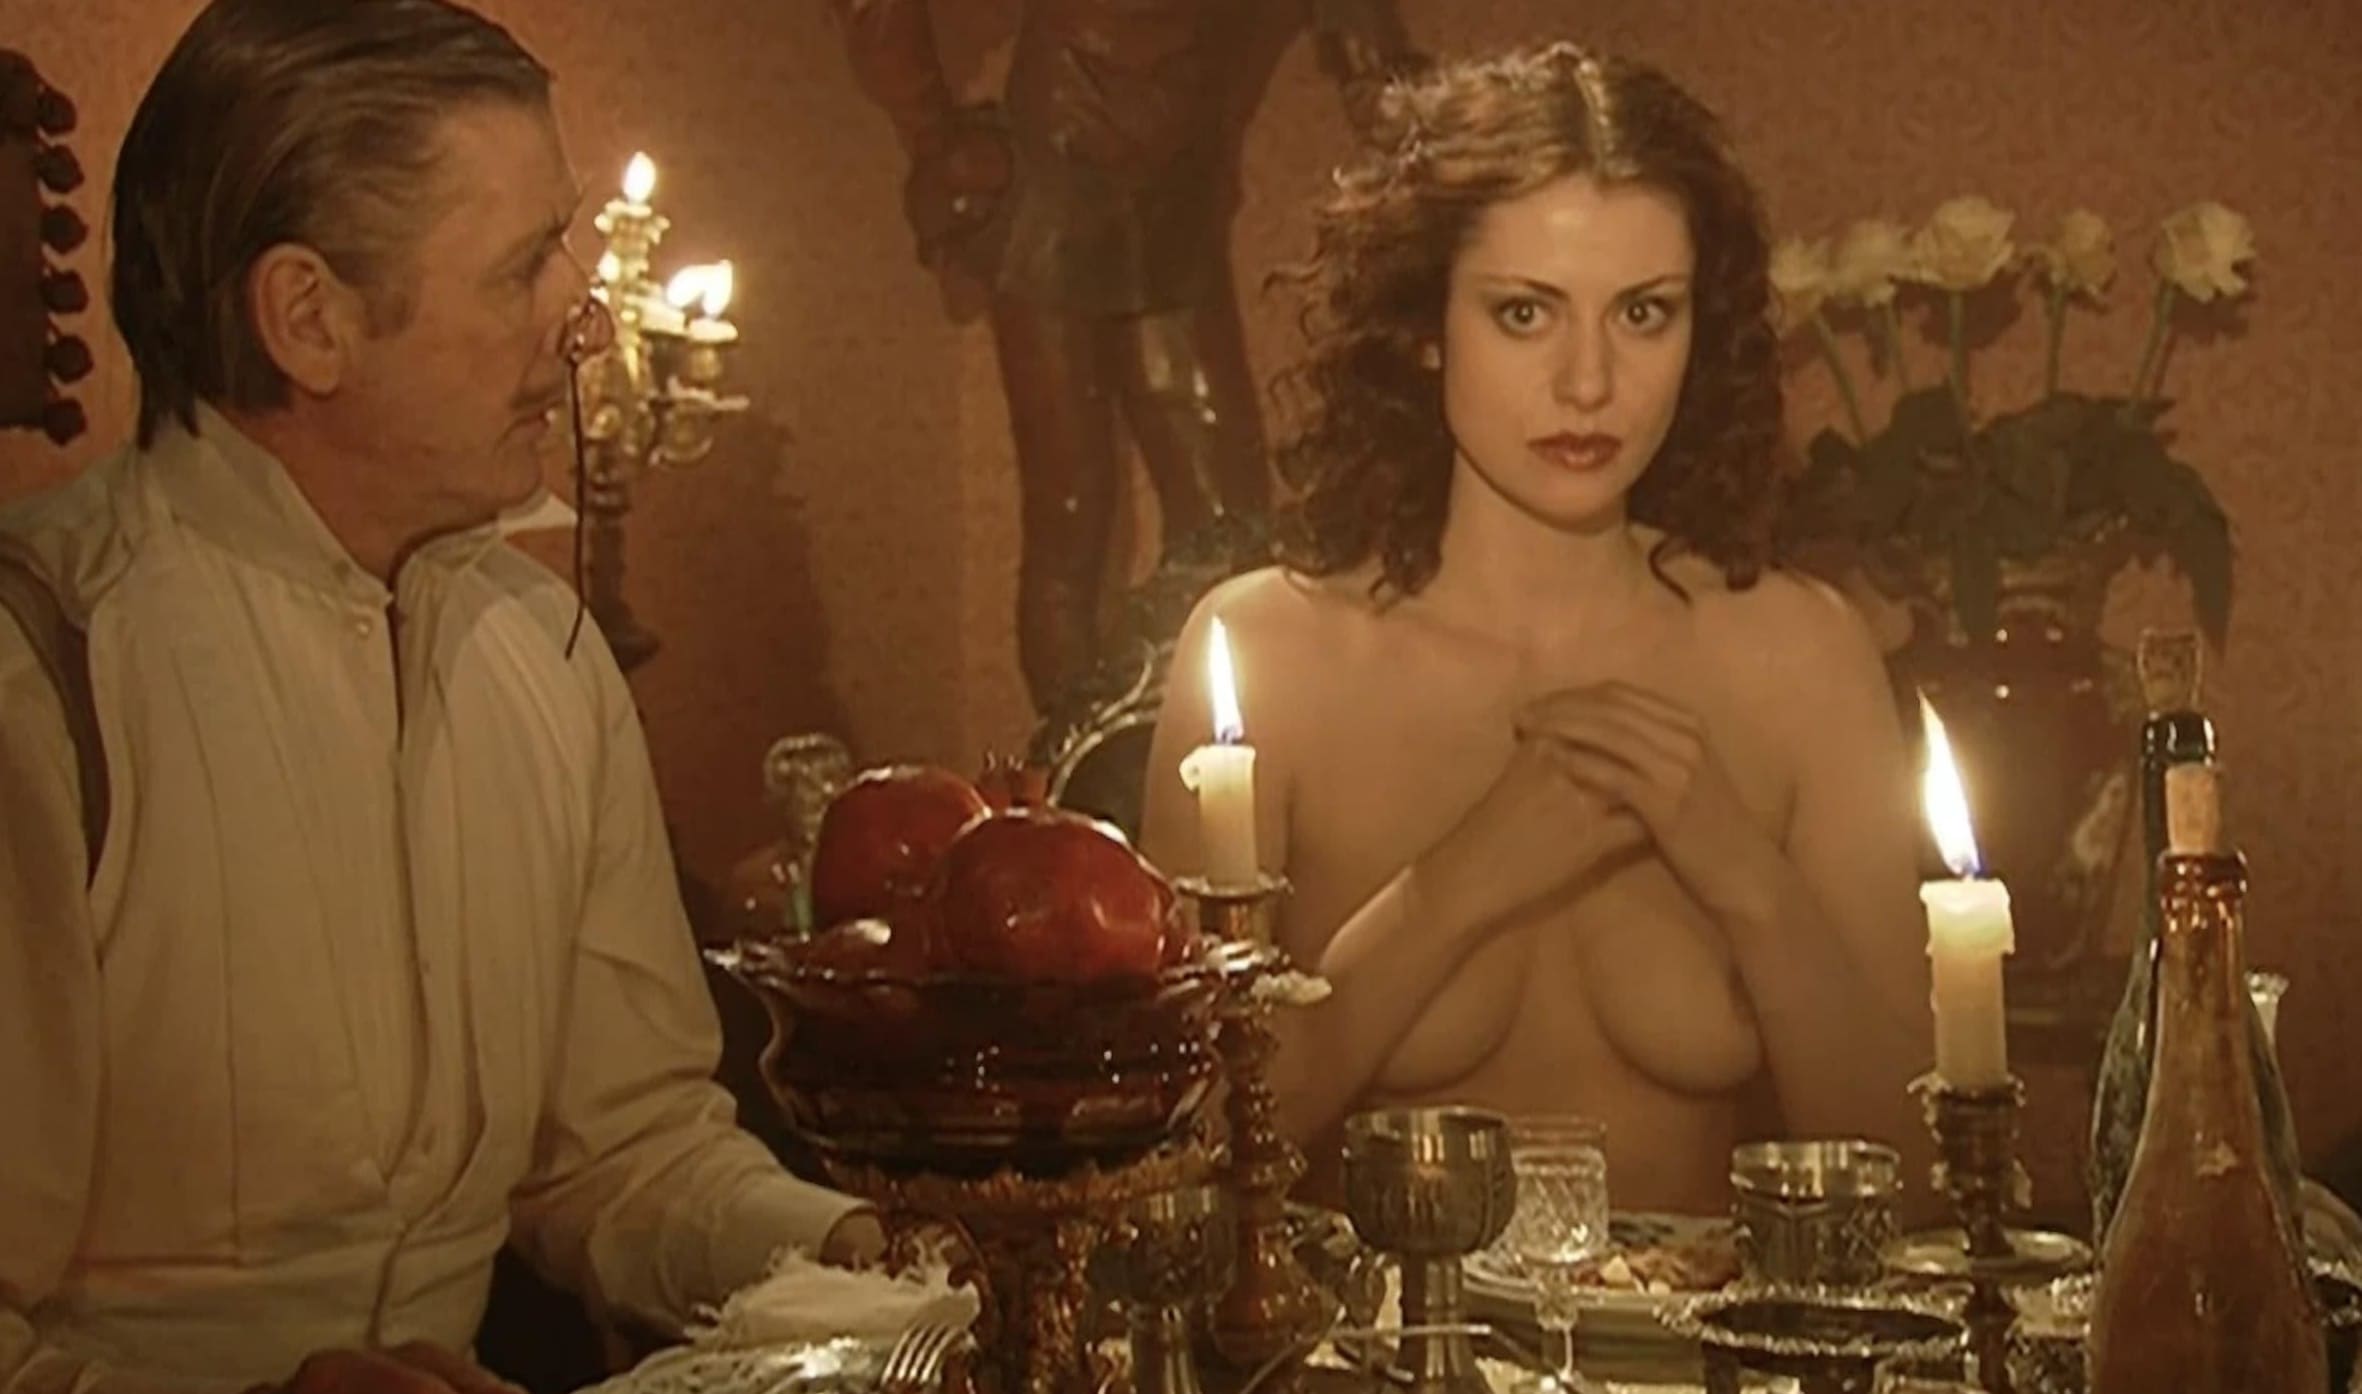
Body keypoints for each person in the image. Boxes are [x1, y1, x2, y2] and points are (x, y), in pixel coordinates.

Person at [0, 2, 877, 1389]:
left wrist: (873, 1247)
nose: (586, 317)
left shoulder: (544, 652)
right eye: (525, 265)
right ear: (309, 319)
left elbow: (626, 1151)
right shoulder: (43, 680)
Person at [1141, 41, 1932, 1213]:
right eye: (1524, 312)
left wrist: (1739, 871)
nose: (1588, 382)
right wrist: (1457, 884)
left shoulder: (1797, 656)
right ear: (1426, 323)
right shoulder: (1268, 660)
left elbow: (1917, 1186)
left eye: (1643, 313)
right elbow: (1171, 1160)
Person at [827, 0, 1419, 712]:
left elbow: (1370, 52)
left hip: (1178, 197)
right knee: (1072, 509)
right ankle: (1071, 753)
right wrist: (933, 134)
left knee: (1226, 517)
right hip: (1054, 179)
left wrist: (1422, 155)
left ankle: (1202, 740)